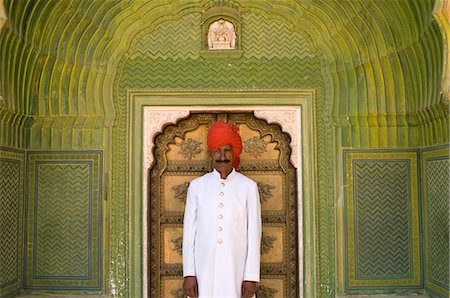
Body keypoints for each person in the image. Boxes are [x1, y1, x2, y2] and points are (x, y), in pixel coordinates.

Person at [182, 120, 262, 298]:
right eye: (217, 151)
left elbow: (254, 235)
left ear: (233, 153)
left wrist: (251, 277)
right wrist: (189, 273)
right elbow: (189, 234)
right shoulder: (197, 186)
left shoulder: (248, 187)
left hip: (237, 269)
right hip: (203, 269)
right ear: (211, 155)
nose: (222, 156)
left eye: (227, 150)